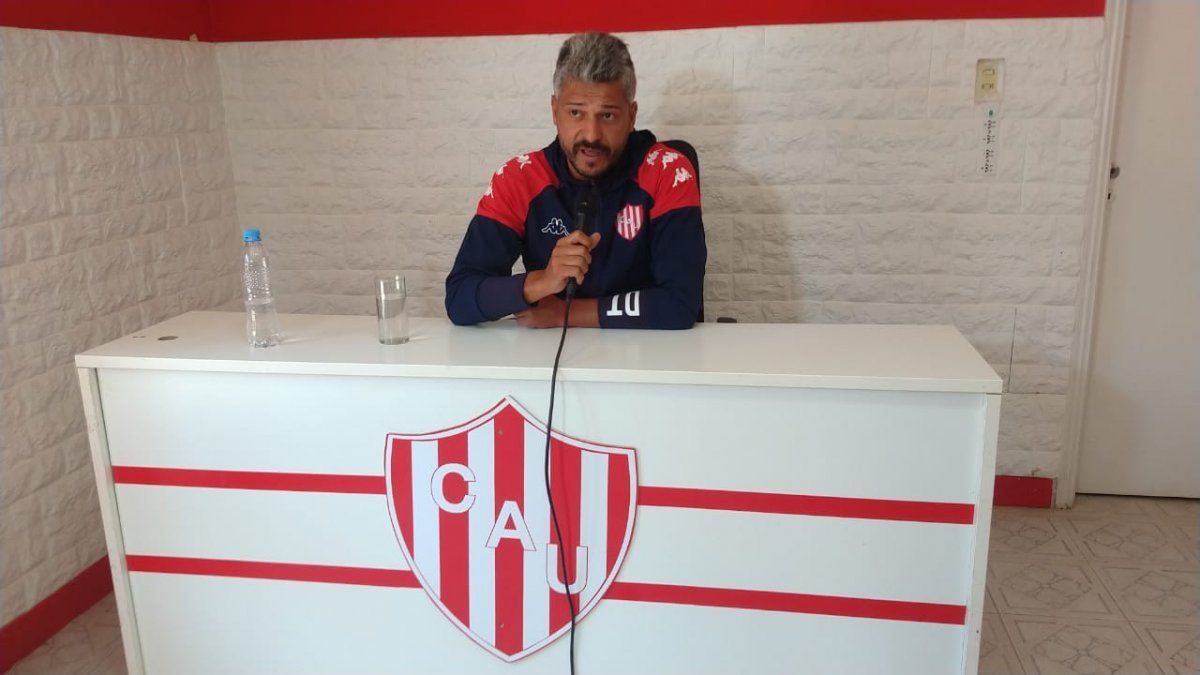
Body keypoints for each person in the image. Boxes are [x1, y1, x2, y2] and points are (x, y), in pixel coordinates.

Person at [444, 32, 706, 329]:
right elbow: (459, 298)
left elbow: (680, 304)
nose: (591, 134)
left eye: (608, 116)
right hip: (551, 352)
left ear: (631, 116)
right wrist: (541, 282)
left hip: (653, 352)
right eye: (576, 113)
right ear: (555, 111)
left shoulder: (668, 171)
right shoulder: (520, 177)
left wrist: (564, 314)